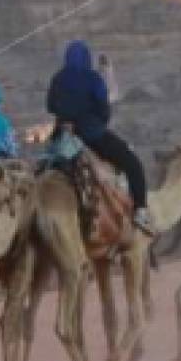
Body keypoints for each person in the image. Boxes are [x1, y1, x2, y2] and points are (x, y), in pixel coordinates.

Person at [47, 40, 153, 234]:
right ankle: (140, 211)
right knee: (132, 163)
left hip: (62, 138)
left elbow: (50, 106)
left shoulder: (57, 79)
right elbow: (104, 109)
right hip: (92, 136)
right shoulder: (93, 78)